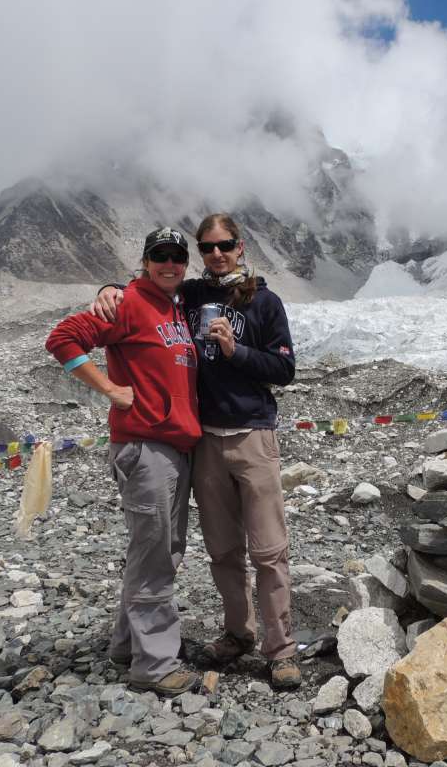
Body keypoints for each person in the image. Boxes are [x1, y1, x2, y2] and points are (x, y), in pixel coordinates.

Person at [93, 213, 301, 689]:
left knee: (269, 550)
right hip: (204, 440)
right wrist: (113, 286)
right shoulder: (191, 295)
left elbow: (284, 368)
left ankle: (282, 649)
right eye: (206, 248)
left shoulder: (265, 301)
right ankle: (238, 631)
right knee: (223, 549)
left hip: (252, 435)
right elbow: (151, 287)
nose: (216, 255)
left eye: (224, 245)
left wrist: (236, 352)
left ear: (240, 246)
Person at [46, 227, 202, 697]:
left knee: (158, 548)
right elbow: (64, 338)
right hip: (145, 444)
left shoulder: (175, 307)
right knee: (156, 552)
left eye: (177, 256)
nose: (170, 264)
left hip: (174, 447)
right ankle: (154, 666)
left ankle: (126, 644)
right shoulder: (130, 302)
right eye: (160, 256)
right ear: (145, 260)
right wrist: (110, 390)